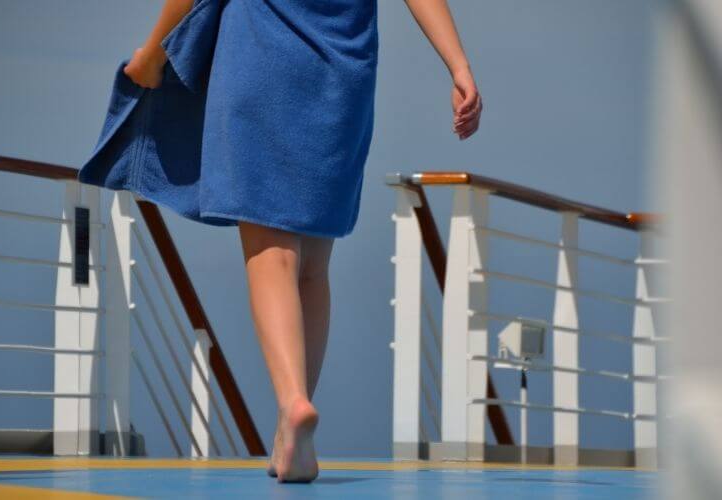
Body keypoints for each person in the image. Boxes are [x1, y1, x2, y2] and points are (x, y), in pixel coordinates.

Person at [122, 0, 482, 483]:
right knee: (313, 264)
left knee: (271, 253)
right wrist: (458, 65)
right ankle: (289, 435)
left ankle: (292, 404)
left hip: (261, 63)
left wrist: (152, 53)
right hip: (342, 77)